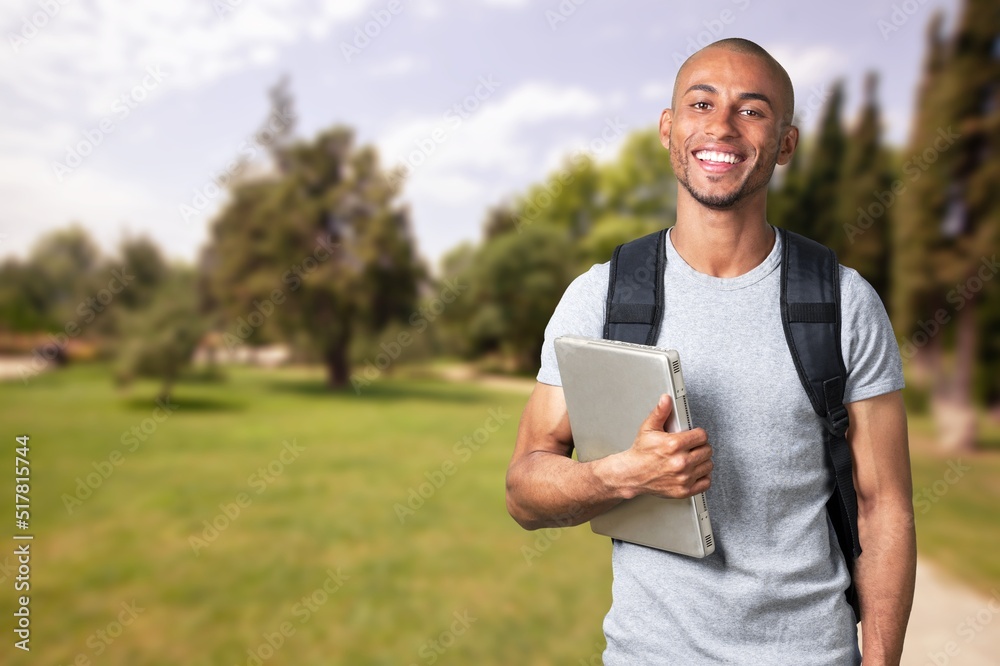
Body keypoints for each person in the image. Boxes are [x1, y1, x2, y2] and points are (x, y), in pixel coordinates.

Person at [504, 38, 916, 665]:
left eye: (752, 110)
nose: (720, 125)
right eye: (701, 104)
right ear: (670, 130)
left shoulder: (842, 301)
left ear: (785, 144)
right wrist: (620, 475)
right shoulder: (603, 298)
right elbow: (524, 489)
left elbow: (884, 506)